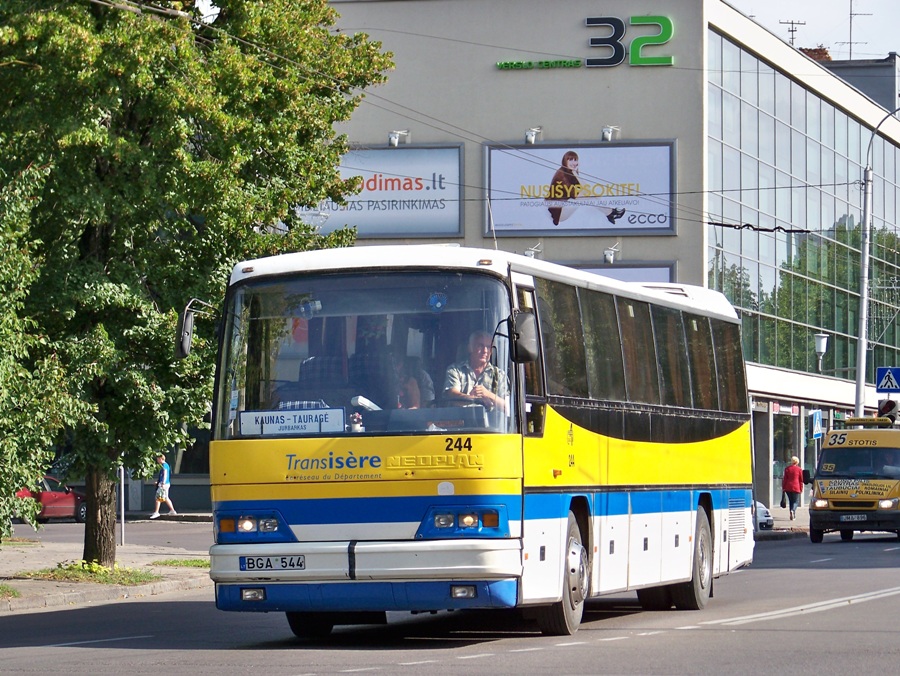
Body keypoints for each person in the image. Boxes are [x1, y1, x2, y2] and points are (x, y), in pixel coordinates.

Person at [546, 150, 624, 226]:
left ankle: (610, 213)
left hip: (565, 204)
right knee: (589, 198)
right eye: (570, 160)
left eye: (575, 160)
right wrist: (592, 196)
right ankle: (610, 213)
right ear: (565, 161)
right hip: (558, 211)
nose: (573, 163)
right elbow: (581, 195)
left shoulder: (570, 172)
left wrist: (575, 173)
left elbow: (585, 189)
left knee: (592, 197)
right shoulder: (562, 176)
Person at [443, 330, 508, 413]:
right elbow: (453, 396)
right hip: (459, 423)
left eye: (488, 347)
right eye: (480, 346)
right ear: (470, 348)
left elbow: (507, 407)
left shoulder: (499, 375)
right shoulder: (455, 370)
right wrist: (477, 400)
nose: (485, 351)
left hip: (492, 425)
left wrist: (488, 394)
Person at [150, 453, 177, 519]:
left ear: (161, 459)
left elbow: (165, 474)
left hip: (163, 484)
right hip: (166, 484)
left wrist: (163, 483)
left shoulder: (164, 465)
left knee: (158, 498)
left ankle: (156, 512)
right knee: (166, 498)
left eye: (158, 459)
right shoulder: (166, 465)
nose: (157, 460)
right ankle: (172, 510)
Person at [782, 455, 803, 521]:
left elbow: (785, 479)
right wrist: (801, 488)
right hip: (796, 487)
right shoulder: (799, 469)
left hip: (788, 487)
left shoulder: (787, 469)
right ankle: (793, 510)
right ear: (797, 462)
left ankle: (792, 515)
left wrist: (783, 487)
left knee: (791, 501)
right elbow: (801, 480)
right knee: (796, 501)